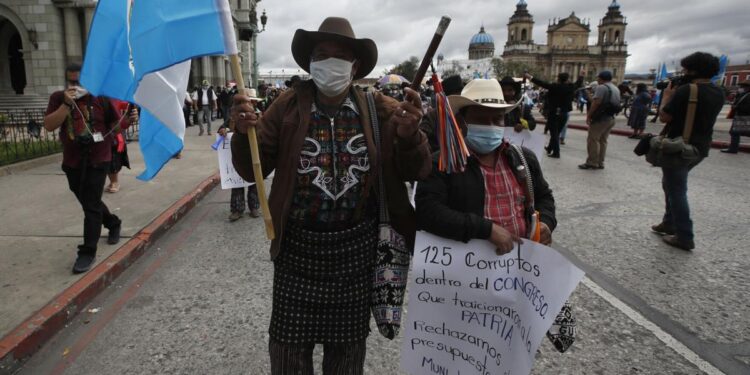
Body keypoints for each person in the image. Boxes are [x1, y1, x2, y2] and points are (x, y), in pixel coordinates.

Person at [230, 17, 431, 374]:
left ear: (354, 67)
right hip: (297, 255)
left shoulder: (380, 108)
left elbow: (416, 169)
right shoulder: (287, 106)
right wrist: (243, 133)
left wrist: (410, 133)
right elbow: (252, 169)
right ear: (310, 63)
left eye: (341, 56)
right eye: (323, 54)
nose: (331, 63)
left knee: (347, 360)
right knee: (288, 356)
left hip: (354, 256)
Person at [416, 78, 556, 255]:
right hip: (467, 270)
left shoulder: (523, 158)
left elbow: (544, 196)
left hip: (518, 267)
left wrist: (546, 222)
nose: (490, 126)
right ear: (461, 121)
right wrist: (486, 229)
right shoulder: (443, 162)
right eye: (481, 119)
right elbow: (427, 212)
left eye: (497, 119)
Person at [43, 63, 137, 273]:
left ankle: (87, 252)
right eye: (72, 81)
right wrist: (66, 105)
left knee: (91, 205)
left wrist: (129, 121)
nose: (76, 86)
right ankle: (113, 223)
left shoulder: (101, 99)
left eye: (80, 81)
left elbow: (115, 127)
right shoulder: (59, 98)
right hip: (73, 162)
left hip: (98, 159)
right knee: (89, 202)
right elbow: (49, 125)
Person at [652, 52, 724, 250]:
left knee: (676, 190)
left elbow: (665, 117)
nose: (683, 72)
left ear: (693, 70)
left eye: (685, 69)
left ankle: (684, 235)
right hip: (701, 147)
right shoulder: (718, 92)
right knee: (671, 184)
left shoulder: (687, 91)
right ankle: (669, 222)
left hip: (680, 146)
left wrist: (666, 97)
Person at [219, 88, 260, 221]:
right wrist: (224, 129)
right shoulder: (234, 115)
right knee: (237, 185)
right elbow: (223, 127)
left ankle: (254, 207)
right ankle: (237, 209)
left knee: (254, 182)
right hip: (237, 156)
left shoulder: (259, 114)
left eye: (250, 102)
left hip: (253, 155)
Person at [525, 71, 584, 158]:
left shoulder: (554, 86)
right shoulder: (570, 87)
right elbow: (578, 84)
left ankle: (556, 153)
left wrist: (530, 77)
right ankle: (549, 148)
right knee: (558, 132)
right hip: (564, 113)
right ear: (567, 79)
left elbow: (542, 83)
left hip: (554, 113)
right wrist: (581, 76)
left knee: (554, 133)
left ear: (558, 79)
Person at [579, 71, 621, 170]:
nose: (597, 80)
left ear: (602, 78)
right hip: (610, 118)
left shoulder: (601, 87)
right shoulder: (615, 88)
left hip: (600, 118)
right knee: (603, 141)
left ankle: (592, 162)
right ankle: (600, 162)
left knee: (593, 140)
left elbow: (596, 102)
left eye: (598, 78)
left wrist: (589, 115)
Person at [106, 100, 133, 193]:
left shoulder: (119, 98)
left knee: (113, 157)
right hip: (101, 132)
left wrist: (132, 115)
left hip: (115, 133)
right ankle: (112, 181)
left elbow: (124, 121)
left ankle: (114, 181)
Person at [721, 80, 750, 153]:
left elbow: (747, 108)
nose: (740, 88)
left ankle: (733, 149)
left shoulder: (748, 95)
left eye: (742, 86)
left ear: (747, 87)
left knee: (735, 132)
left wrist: (736, 107)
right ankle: (733, 148)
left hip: (743, 117)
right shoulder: (744, 94)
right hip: (740, 116)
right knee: (735, 132)